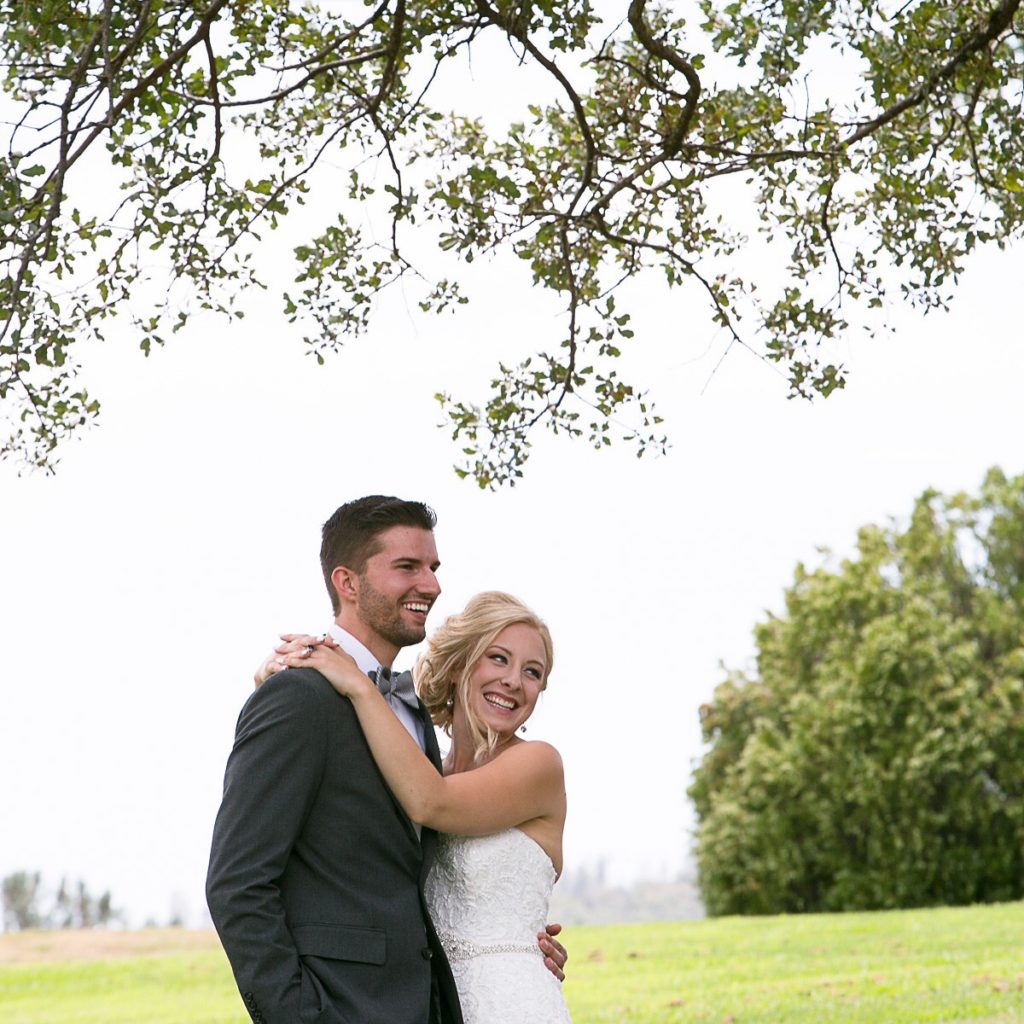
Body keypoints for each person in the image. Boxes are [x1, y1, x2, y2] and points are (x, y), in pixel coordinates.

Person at [206, 496, 565, 1024]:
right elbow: (237, 882)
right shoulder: (298, 697)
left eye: (433, 568)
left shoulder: (413, 718)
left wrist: (515, 945)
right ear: (347, 583)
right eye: (407, 567)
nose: (432, 585)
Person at [279, 591, 572, 1024]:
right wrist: (281, 681)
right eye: (498, 659)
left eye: (533, 672)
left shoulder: (538, 764)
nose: (514, 681)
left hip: (513, 1002)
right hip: (428, 1004)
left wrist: (359, 686)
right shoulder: (424, 764)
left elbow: (430, 803)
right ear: (459, 666)